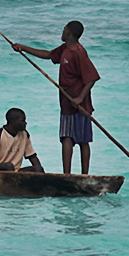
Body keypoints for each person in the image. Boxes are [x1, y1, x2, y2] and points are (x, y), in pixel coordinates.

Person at [11, 21, 101, 174]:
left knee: (82, 140)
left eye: (64, 29)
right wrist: (23, 48)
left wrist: (79, 98)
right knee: (66, 137)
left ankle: (84, 175)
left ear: (70, 33)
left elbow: (92, 77)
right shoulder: (65, 49)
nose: (62, 31)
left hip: (78, 103)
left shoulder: (79, 52)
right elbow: (48, 55)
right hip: (66, 102)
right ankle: (67, 174)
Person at [0, 108, 43, 173]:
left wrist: (40, 171)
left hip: (16, 171)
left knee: (38, 169)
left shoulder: (25, 134)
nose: (25, 123)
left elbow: (32, 156)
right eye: (23, 121)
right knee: (9, 166)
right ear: (14, 122)